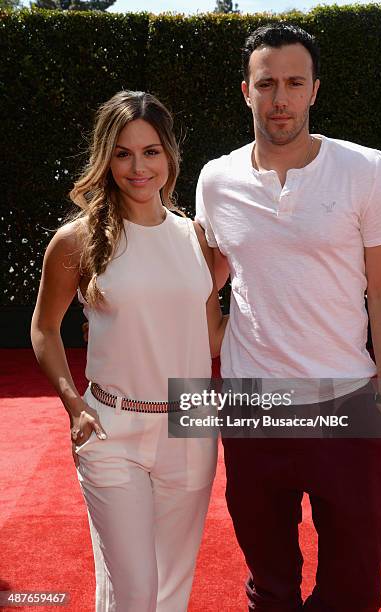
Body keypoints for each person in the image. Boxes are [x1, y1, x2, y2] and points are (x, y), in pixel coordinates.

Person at [196, 24, 381, 612]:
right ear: (246, 91)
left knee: (356, 573)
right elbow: (205, 279)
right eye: (267, 84)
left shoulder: (365, 170)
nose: (280, 98)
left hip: (344, 397)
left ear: (315, 89)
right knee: (270, 580)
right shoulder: (215, 180)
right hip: (251, 407)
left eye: (294, 82)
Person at [31, 90, 227, 612]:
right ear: (105, 158)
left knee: (169, 590)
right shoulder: (75, 241)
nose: (138, 167)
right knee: (136, 593)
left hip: (191, 424)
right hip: (110, 427)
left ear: (169, 156)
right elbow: (45, 330)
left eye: (150, 151)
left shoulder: (198, 239)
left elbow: (210, 337)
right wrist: (74, 404)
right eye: (122, 153)